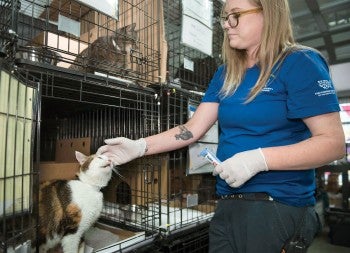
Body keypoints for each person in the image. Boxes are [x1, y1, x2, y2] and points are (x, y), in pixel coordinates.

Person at [97, 0, 346, 252]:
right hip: (227, 203)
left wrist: (259, 159)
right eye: (224, 18)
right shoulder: (226, 73)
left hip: (276, 205)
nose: (226, 25)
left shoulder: (300, 62)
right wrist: (139, 146)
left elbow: (332, 144)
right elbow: (193, 128)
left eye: (235, 16)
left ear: (268, 14)